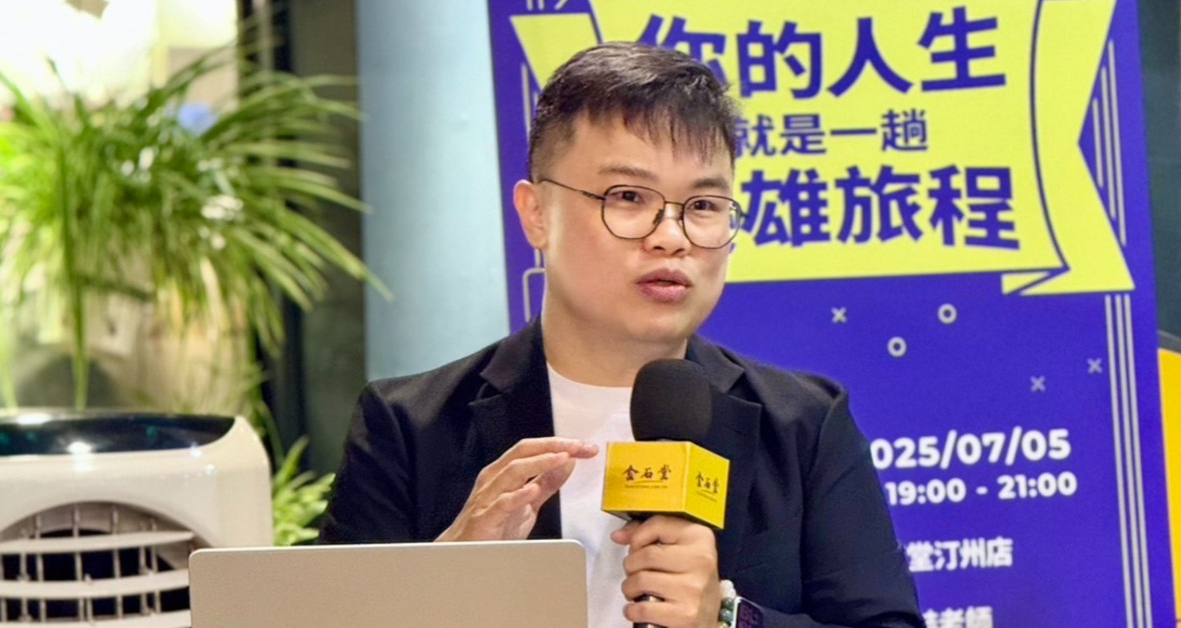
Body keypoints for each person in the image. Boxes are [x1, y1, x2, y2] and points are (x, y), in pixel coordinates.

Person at [321, 42, 923, 628]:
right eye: (629, 197)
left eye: (703, 205)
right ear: (536, 214)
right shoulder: (409, 426)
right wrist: (446, 579)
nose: (671, 237)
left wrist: (730, 619)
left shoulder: (803, 425)